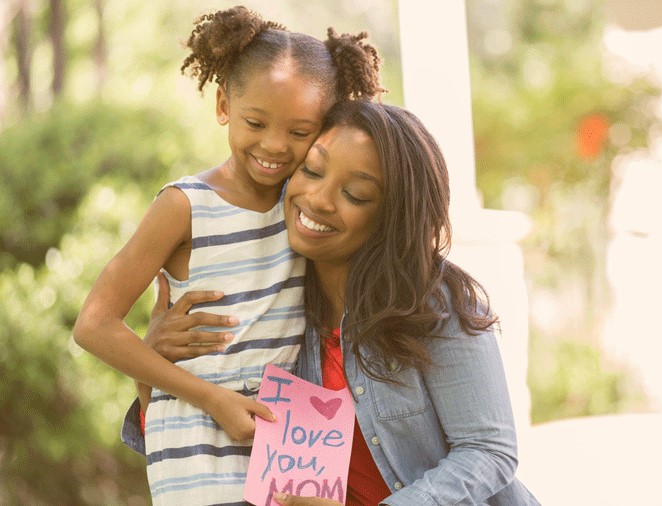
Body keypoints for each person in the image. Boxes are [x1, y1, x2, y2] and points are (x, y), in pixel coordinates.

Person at [132, 100, 540, 505]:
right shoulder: (274, 303)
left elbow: (489, 451)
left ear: (391, 218)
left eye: (356, 194)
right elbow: (201, 444)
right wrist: (151, 368)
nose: (319, 199)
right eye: (311, 170)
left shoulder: (433, 303)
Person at [73, 6, 383, 505]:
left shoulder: (306, 210)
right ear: (223, 105)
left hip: (285, 448)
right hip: (199, 448)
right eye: (255, 122)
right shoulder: (185, 205)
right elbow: (93, 324)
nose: (274, 145)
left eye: (299, 132)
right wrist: (211, 397)